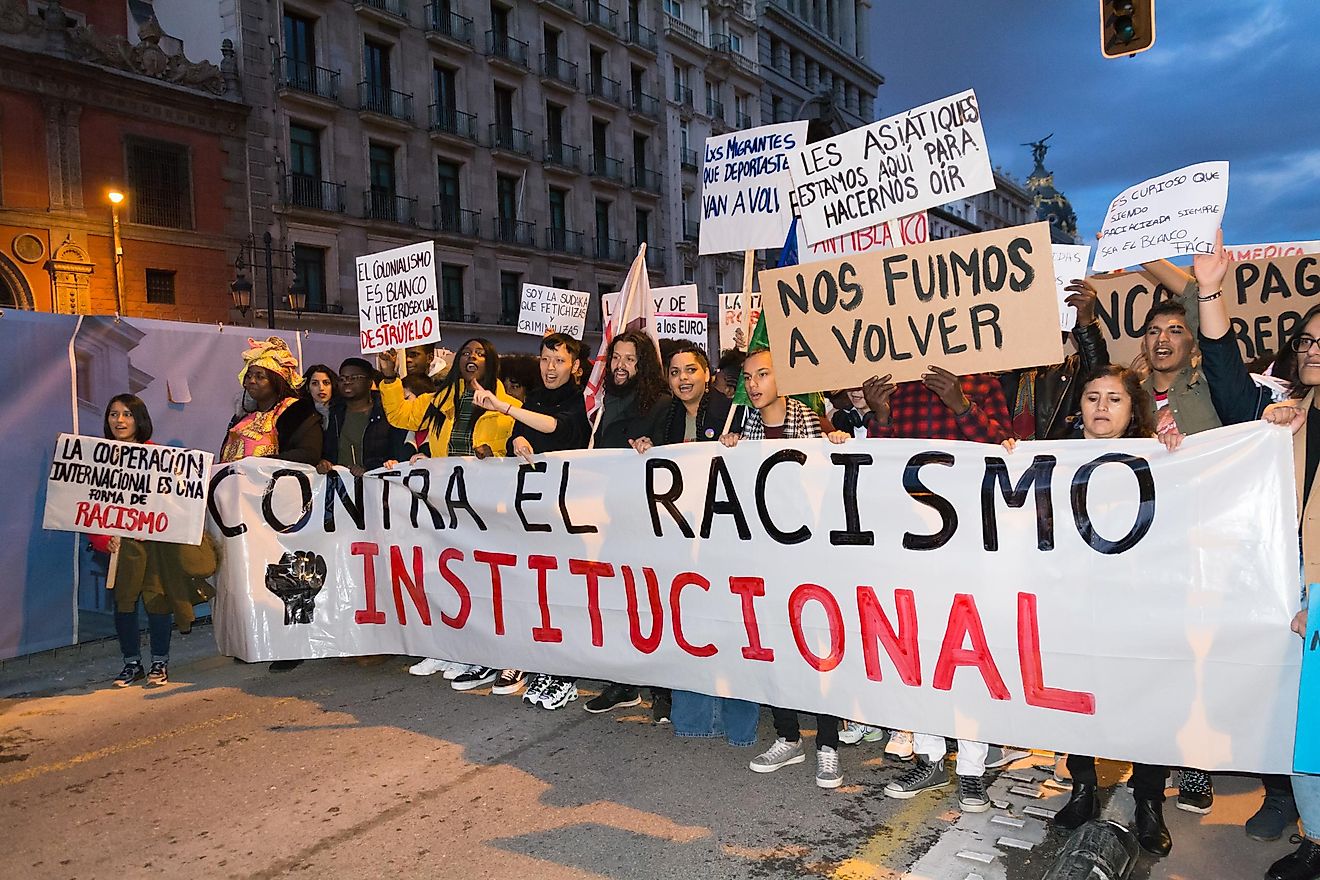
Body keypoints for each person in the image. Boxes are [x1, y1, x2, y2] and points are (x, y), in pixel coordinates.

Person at [1006, 365, 1180, 856]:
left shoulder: (1160, 458)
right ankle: (1083, 787)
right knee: (1074, 694)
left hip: (1137, 606)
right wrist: (1009, 462)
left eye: (1114, 399)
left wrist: (1180, 452)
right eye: (1092, 397)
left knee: (1145, 702)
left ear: (1133, 409)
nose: (1101, 407)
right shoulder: (1051, 456)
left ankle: (1148, 800)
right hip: (1074, 601)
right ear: (1078, 405)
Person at [866, 363, 1012, 813]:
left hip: (969, 539)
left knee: (970, 652)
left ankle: (971, 767)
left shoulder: (983, 381)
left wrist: (962, 406)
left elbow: (1004, 453)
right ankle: (930, 757)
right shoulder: (893, 384)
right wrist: (881, 416)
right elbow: (880, 470)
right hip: (912, 539)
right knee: (919, 649)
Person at [721, 347, 850, 788]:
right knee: (773, 642)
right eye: (748, 376)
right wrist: (730, 453)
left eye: (763, 374)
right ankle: (789, 736)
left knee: (817, 645)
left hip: (810, 556)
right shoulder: (741, 428)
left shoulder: (813, 421)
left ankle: (828, 743)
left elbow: (839, 478)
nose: (753, 384)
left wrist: (837, 445)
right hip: (763, 555)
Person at [379, 337, 519, 687]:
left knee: (477, 578)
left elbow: (518, 453)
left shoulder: (508, 405)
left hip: (483, 504)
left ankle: (474, 653)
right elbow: (399, 416)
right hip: (444, 502)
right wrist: (389, 378)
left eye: (480, 353)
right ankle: (446, 648)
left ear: (492, 363)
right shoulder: (439, 399)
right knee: (443, 575)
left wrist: (494, 453)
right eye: (467, 352)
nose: (472, 357)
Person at [471, 333, 590, 709]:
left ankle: (564, 670)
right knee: (532, 586)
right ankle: (530, 658)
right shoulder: (536, 397)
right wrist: (517, 443)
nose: (550, 368)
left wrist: (507, 410)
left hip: (569, 513)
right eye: (544, 360)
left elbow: (560, 428)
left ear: (576, 366)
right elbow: (524, 436)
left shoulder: (582, 400)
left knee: (564, 590)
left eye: (558, 361)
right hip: (532, 513)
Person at [630, 342, 739, 729]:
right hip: (680, 532)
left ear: (706, 374)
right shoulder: (665, 414)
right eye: (674, 372)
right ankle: (675, 692)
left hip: (720, 531)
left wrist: (737, 446)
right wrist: (645, 447)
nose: (683, 379)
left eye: (690, 370)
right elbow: (655, 457)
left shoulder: (729, 412)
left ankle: (731, 692)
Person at [92, 395, 216, 687]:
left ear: (139, 419)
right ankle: (131, 663)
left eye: (126, 414)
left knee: (158, 601)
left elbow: (177, 501)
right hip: (120, 547)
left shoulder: (159, 457)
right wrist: (102, 540)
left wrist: (158, 527)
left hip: (156, 546)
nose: (119, 421)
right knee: (124, 604)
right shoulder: (98, 458)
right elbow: (90, 504)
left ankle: (159, 662)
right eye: (113, 414)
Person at [1257, 312, 1320, 880]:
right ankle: (1316, 842)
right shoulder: (1292, 420)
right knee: (1304, 723)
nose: (1314, 350)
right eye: (1307, 341)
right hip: (1297, 580)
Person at [579, 329, 670, 714]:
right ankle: (623, 682)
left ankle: (664, 688)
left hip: (647, 522)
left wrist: (652, 449)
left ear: (644, 364)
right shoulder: (602, 406)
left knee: (653, 603)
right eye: (616, 357)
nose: (620, 365)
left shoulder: (661, 404)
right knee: (618, 603)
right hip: (607, 520)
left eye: (630, 359)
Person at [220, 337, 323, 672]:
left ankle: (289, 645)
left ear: (278, 380)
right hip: (244, 514)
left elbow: (306, 454)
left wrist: (257, 470)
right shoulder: (242, 419)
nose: (251, 381)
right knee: (248, 576)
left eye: (260, 376)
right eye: (249, 376)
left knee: (285, 578)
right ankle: (253, 638)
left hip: (281, 510)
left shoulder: (296, 412)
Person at [999, 279, 1110, 439]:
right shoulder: (988, 373)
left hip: (1055, 462)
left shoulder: (1071, 373)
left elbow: (1099, 374)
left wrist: (1087, 322)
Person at [317, 358, 406, 476]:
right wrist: (325, 462)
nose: (347, 382)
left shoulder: (386, 411)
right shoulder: (334, 412)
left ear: (369, 382)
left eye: (354, 378)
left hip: (377, 485)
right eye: (342, 378)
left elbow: (396, 455)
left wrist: (368, 470)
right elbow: (328, 450)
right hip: (340, 486)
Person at [303, 363, 338, 429]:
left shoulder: (342, 413)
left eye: (326, 383)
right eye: (315, 383)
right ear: (307, 387)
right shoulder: (300, 415)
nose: (321, 388)